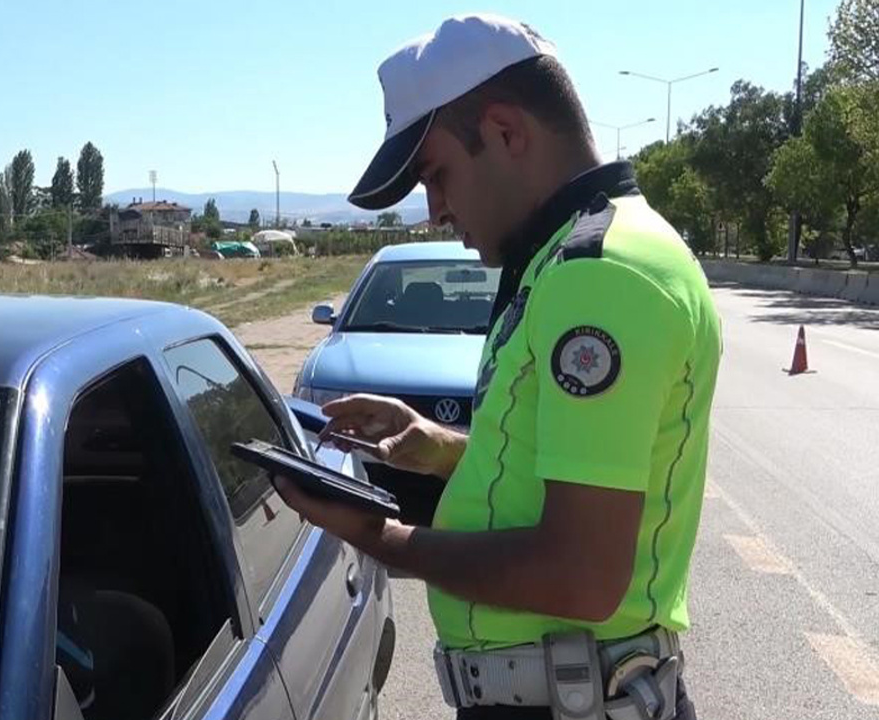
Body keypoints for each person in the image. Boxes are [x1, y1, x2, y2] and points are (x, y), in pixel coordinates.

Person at [274, 13, 720, 720]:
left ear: (508, 133)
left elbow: (579, 578)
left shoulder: (602, 275)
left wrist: (380, 537)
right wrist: (444, 449)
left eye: (437, 175)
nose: (434, 211)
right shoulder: (564, 258)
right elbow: (564, 468)